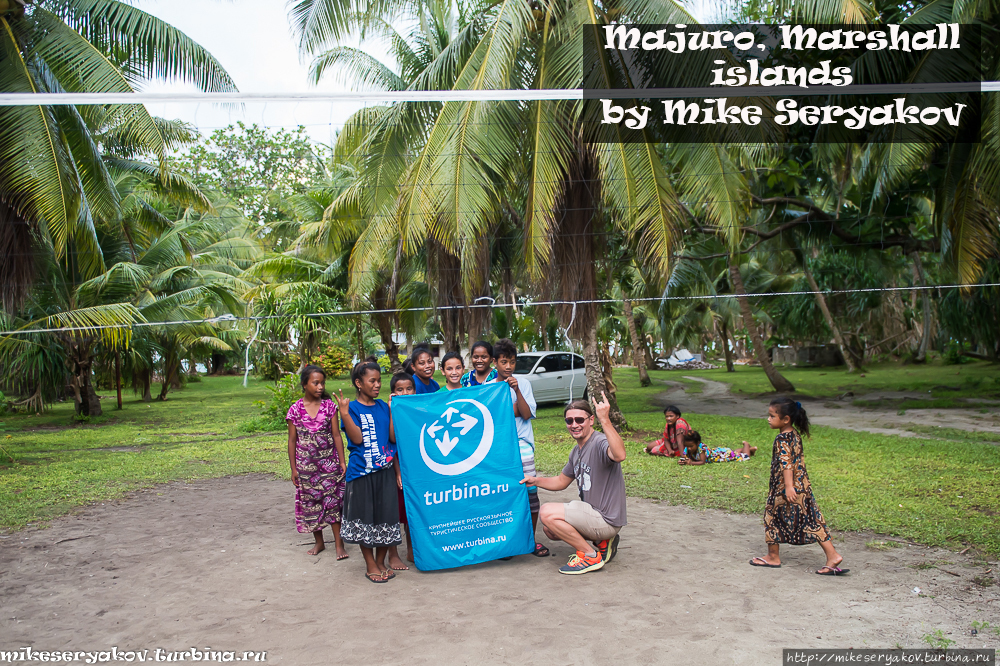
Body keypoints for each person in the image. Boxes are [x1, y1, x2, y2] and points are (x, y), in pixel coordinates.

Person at [522, 394, 627, 575]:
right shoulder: (576, 450)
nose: (574, 425)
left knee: (547, 512)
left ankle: (589, 555)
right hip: (593, 515)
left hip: (605, 519)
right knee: (550, 530)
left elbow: (619, 455)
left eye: (580, 420)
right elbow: (562, 481)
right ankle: (602, 542)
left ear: (591, 420)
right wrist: (535, 480)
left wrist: (605, 420)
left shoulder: (599, 442)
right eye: (569, 421)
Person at [750, 397, 848, 576]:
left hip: (784, 488)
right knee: (812, 520)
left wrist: (788, 486)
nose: (768, 419)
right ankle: (832, 554)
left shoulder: (782, 438)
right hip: (802, 486)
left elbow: (786, 463)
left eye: (772, 416)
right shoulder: (794, 435)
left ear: (786, 419)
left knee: (771, 517)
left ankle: (773, 556)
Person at [337, 358, 402, 583]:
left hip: (384, 472)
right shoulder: (352, 408)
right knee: (366, 519)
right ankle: (370, 563)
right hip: (361, 474)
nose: (377, 385)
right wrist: (344, 413)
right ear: (358, 383)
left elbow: (393, 438)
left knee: (385, 517)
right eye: (372, 381)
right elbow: (356, 439)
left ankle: (382, 560)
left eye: (379, 381)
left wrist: (393, 411)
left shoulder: (384, 406)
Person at [492, 338, 549, 558]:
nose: (508, 367)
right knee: (503, 493)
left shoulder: (523, 383)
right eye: (504, 362)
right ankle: (507, 542)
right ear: (495, 362)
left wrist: (516, 393)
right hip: (499, 448)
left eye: (512, 362)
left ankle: (530, 540)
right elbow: (494, 418)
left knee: (530, 492)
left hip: (522, 445)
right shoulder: (488, 388)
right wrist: (510, 408)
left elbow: (525, 413)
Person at [286, 364, 348, 559]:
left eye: (322, 383)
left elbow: (337, 435)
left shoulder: (330, 407)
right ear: (305, 384)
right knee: (311, 503)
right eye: (315, 383)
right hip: (306, 466)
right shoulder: (295, 410)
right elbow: (292, 440)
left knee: (333, 502)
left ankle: (339, 544)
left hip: (328, 464)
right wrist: (293, 468)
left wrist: (341, 461)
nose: (320, 387)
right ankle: (319, 542)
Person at [387, 372, 417, 567]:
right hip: (397, 469)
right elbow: (392, 443)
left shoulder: (420, 409)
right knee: (393, 512)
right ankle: (392, 553)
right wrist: (398, 472)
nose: (405, 393)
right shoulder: (390, 411)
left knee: (410, 513)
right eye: (400, 389)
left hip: (416, 470)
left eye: (409, 389)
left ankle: (411, 549)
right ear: (393, 393)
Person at [678, 430, 757, 465]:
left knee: (745, 457)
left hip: (720, 455)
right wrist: (682, 461)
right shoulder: (687, 448)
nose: (689, 449)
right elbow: (684, 456)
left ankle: (746, 445)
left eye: (691, 446)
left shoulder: (701, 448)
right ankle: (750, 450)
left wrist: (691, 463)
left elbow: (702, 462)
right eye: (687, 446)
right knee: (733, 452)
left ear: (698, 443)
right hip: (719, 451)